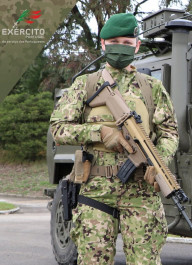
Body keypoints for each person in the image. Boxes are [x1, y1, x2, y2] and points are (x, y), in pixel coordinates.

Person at [50, 13, 179, 265]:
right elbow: (58, 128)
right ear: (103, 44)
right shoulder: (85, 85)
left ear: (137, 46)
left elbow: (170, 132)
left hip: (141, 192)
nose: (121, 48)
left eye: (128, 43)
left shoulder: (152, 88)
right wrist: (100, 133)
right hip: (96, 191)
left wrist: (159, 161)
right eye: (115, 42)